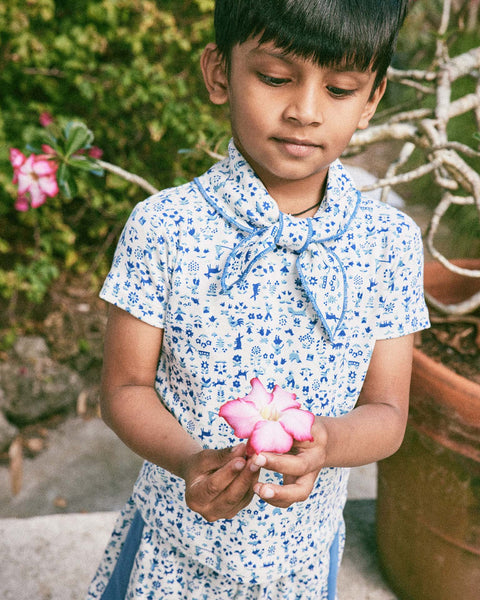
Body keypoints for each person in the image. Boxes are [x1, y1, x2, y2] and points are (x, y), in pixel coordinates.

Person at [87, 1, 430, 598]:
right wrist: (192, 461)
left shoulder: (389, 244)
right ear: (219, 73)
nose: (305, 111)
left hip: (300, 563)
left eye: (341, 88)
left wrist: (328, 443)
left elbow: (388, 414)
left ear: (373, 98)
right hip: (171, 552)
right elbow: (124, 390)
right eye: (275, 77)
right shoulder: (165, 227)